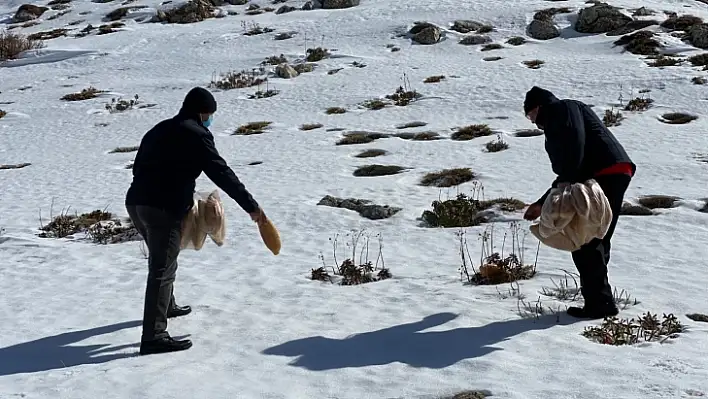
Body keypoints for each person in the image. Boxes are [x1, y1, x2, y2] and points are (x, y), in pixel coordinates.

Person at [125, 87, 266, 355]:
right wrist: (251, 207)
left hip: (136, 203)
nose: (211, 119)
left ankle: (167, 305)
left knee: (164, 256)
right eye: (211, 114)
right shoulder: (197, 134)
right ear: (203, 113)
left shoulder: (159, 129)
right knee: (161, 267)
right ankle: (154, 336)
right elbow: (221, 172)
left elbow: (139, 166)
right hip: (162, 207)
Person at [522, 86, 636, 320]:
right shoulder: (564, 111)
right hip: (611, 171)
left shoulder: (562, 109)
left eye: (530, 115)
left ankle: (600, 303)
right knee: (597, 235)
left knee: (585, 238)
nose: (533, 122)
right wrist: (543, 201)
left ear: (538, 106)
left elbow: (574, 149)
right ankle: (600, 298)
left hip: (603, 173)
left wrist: (559, 187)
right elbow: (572, 161)